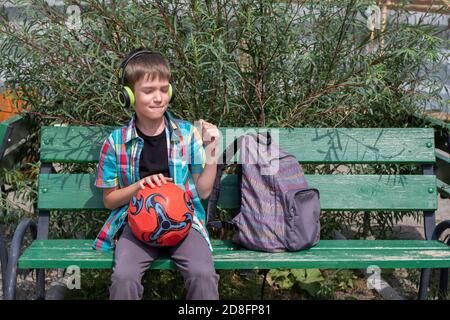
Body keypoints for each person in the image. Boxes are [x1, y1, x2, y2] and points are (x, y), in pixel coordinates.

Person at [92, 47, 220, 300]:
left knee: (203, 274)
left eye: (164, 89)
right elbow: (109, 200)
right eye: (148, 91)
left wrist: (212, 148)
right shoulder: (115, 142)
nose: (158, 98)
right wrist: (139, 186)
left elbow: (204, 191)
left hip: (184, 223)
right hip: (136, 225)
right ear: (128, 96)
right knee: (123, 278)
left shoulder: (187, 134)